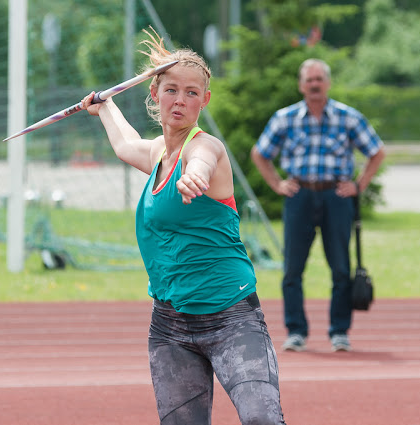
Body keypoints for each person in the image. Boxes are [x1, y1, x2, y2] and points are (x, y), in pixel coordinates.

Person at [81, 29, 286, 425]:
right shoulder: (158, 153)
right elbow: (126, 145)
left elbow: (204, 159)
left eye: (192, 93)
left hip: (230, 316)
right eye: (172, 90)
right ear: (155, 93)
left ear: (204, 101)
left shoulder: (204, 147)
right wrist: (103, 106)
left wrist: (196, 175)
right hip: (169, 324)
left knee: (263, 420)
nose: (181, 100)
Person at [251, 58, 385, 353]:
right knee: (292, 269)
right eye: (309, 80)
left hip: (335, 197)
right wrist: (277, 185)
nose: (314, 85)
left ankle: (340, 331)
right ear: (301, 85)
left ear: (328, 83)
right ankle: (296, 331)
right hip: (299, 196)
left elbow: (376, 151)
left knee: (340, 267)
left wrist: (359, 185)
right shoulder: (285, 118)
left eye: (319, 79)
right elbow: (260, 153)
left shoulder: (347, 117)